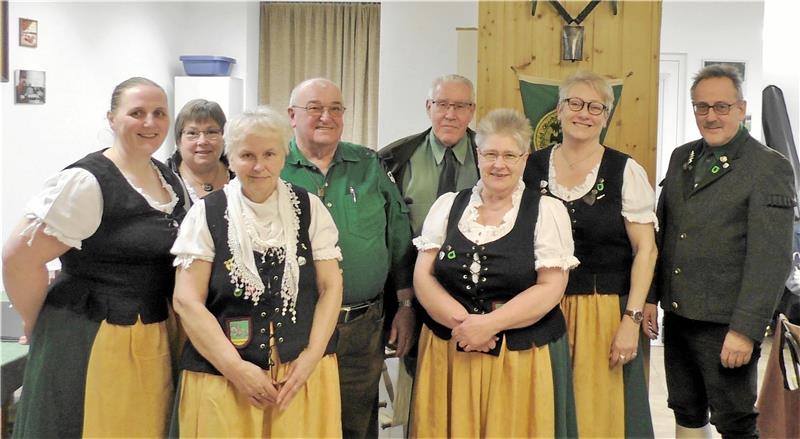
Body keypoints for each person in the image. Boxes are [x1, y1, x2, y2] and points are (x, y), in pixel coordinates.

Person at [2, 77, 186, 438]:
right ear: (112, 119)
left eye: (159, 113)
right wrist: (33, 321)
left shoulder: (166, 177)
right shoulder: (86, 183)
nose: (150, 123)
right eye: (137, 113)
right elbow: (17, 259)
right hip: (91, 336)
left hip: (152, 334)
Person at [169, 106, 343, 437]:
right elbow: (187, 301)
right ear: (230, 158)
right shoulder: (206, 215)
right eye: (247, 154)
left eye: (269, 153)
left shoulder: (310, 209)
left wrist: (309, 359)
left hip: (301, 375)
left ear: (284, 156)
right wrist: (235, 368)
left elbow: (331, 287)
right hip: (223, 378)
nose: (259, 165)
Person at [645, 64, 795, 438]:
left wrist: (745, 330)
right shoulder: (682, 157)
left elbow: (770, 258)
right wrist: (650, 298)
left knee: (734, 421)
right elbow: (665, 234)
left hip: (727, 325)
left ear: (742, 108)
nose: (710, 116)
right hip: (679, 317)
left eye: (721, 107)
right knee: (685, 409)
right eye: (701, 107)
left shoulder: (768, 167)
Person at [411, 108, 579, 437]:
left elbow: (551, 287)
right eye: (490, 154)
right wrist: (465, 326)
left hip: (520, 359)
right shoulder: (448, 205)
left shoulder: (547, 211)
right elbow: (423, 276)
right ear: (478, 155)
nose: (498, 164)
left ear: (524, 158)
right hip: (450, 350)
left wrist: (488, 325)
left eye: (508, 155)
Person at [523, 71, 657, 438]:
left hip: (602, 309)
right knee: (541, 407)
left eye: (595, 106)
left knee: (599, 413)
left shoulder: (624, 170)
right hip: (538, 307)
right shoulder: (529, 166)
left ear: (605, 115)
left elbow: (646, 249)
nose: (585, 113)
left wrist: (631, 319)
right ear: (560, 109)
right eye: (576, 103)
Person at [281, 77, 415, 438]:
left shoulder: (369, 165)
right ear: (292, 115)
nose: (326, 116)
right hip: (296, 326)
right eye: (315, 108)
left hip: (360, 327)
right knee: (299, 422)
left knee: (357, 424)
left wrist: (404, 306)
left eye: (335, 109)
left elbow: (398, 237)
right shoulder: (273, 168)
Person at [380, 74, 479, 236]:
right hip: (411, 259)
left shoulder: (490, 157)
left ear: (472, 110)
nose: (450, 115)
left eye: (460, 106)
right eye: (442, 104)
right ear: (428, 107)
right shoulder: (393, 158)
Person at [167, 99, 233, 203]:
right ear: (179, 140)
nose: (202, 141)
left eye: (211, 132)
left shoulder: (240, 174)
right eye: (192, 133)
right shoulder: (164, 180)